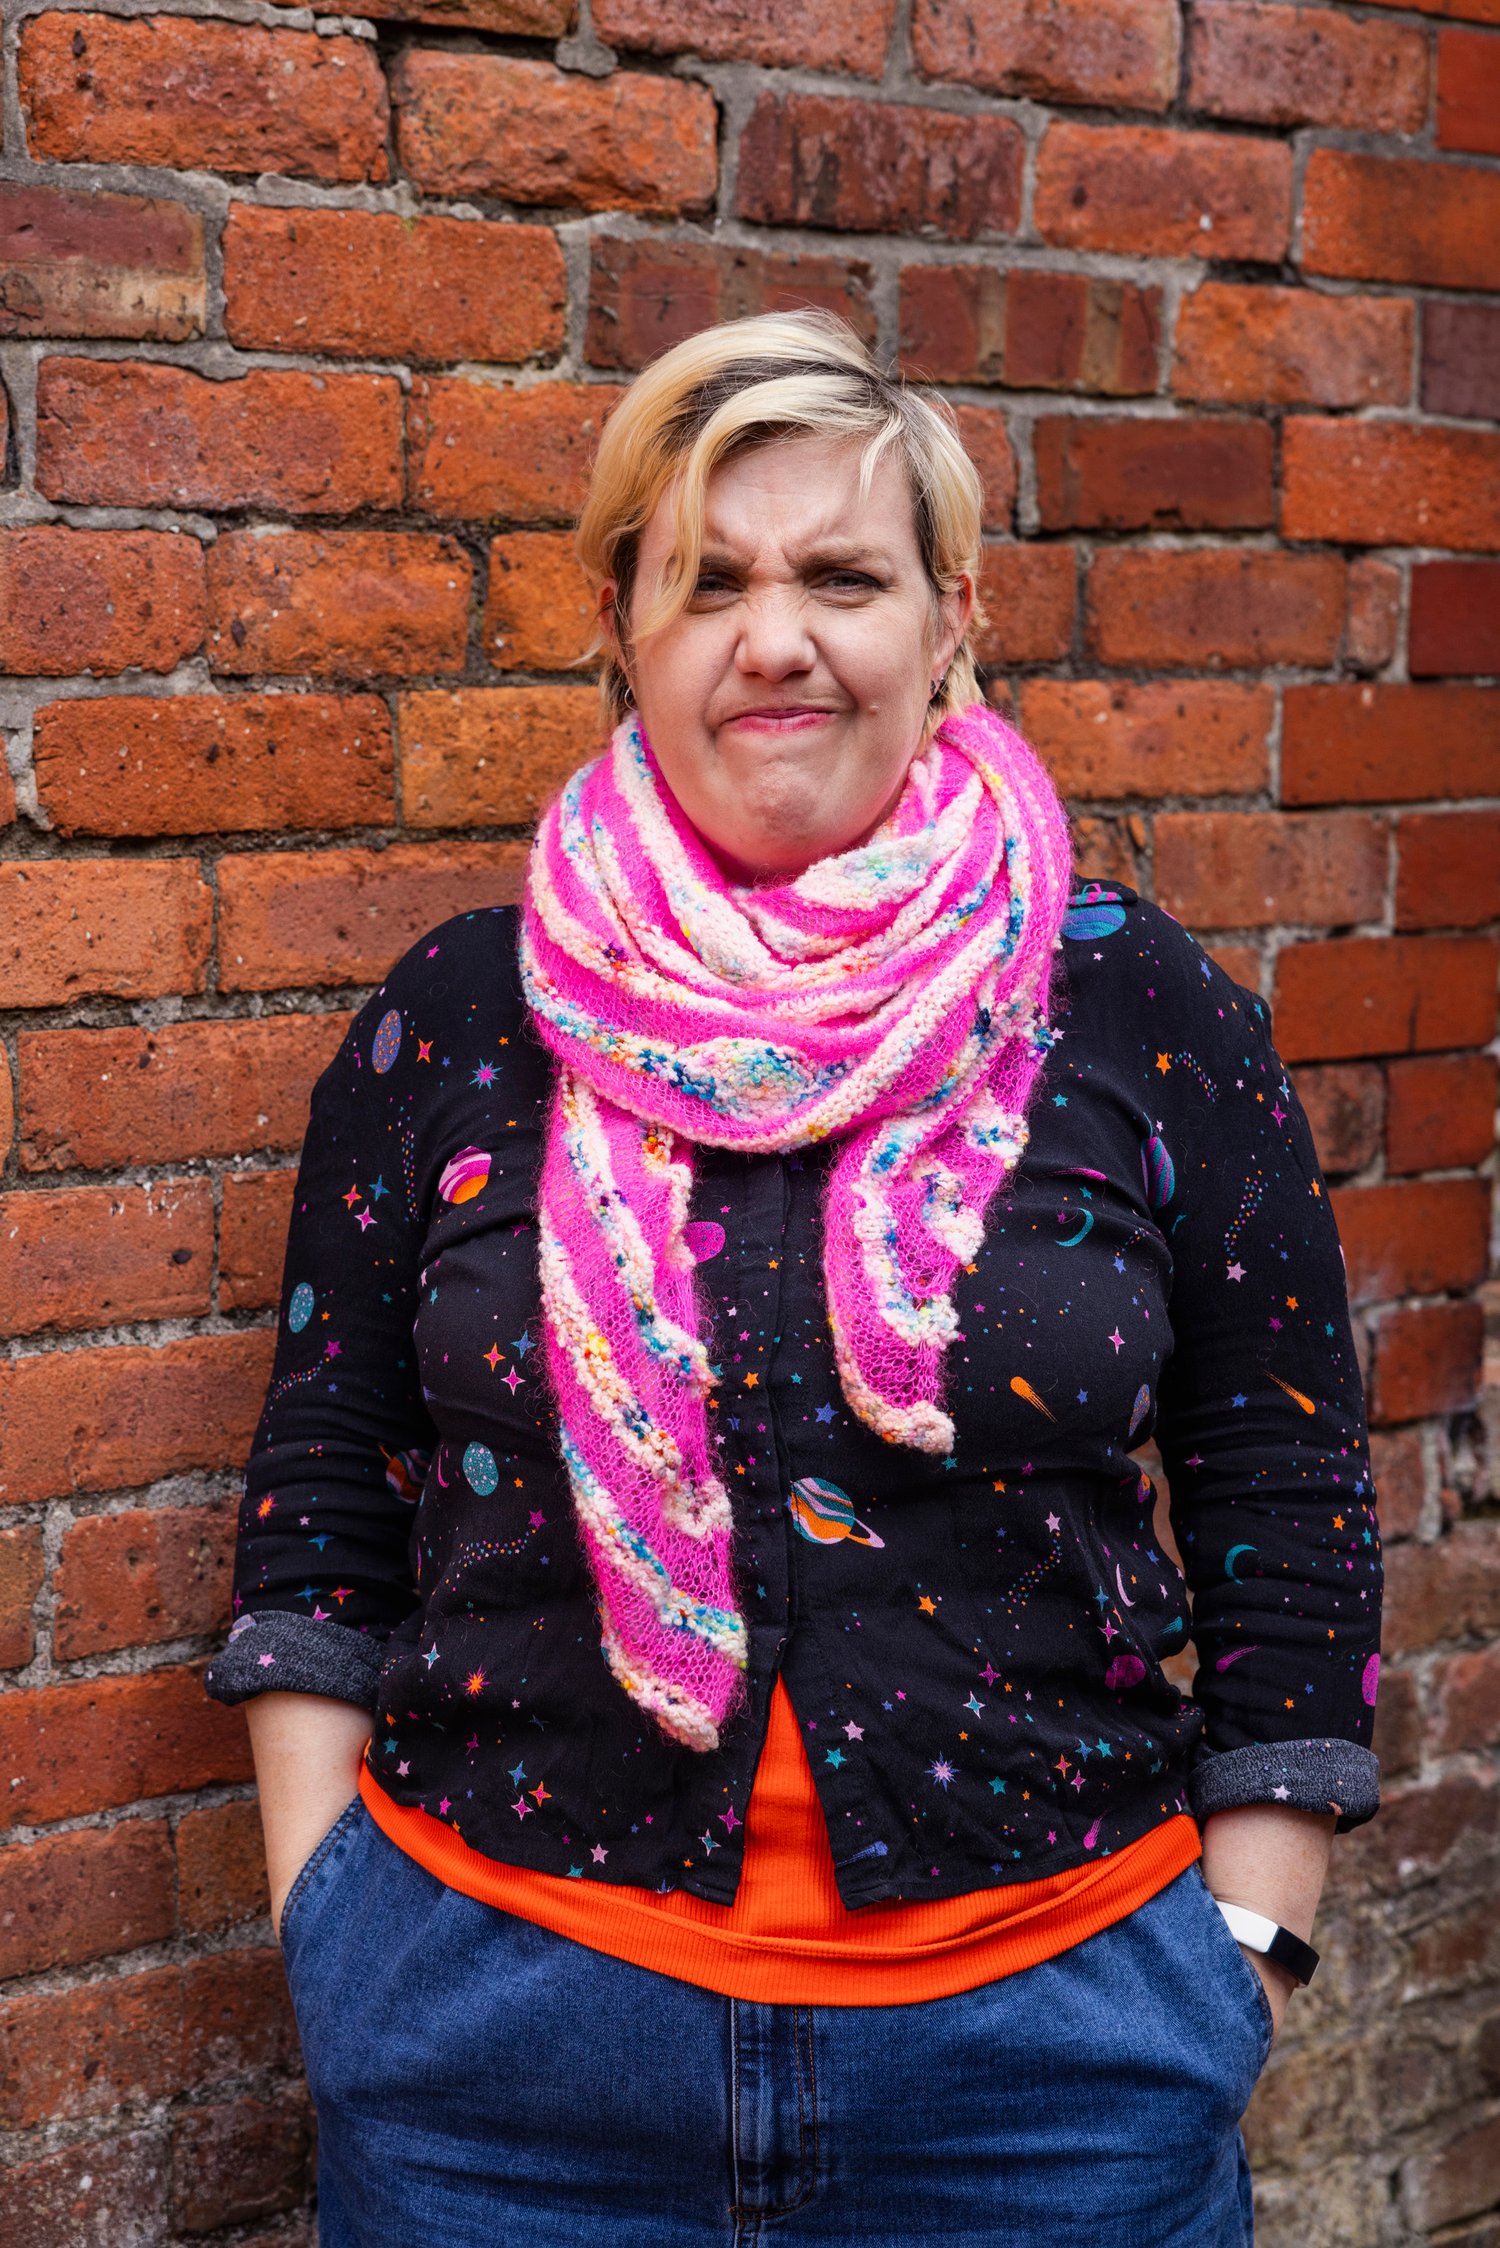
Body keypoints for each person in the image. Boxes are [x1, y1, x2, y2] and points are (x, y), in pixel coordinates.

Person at [205, 311, 1384, 2248]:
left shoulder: (1135, 1007)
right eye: (711, 582)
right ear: (622, 627)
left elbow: (1288, 1488)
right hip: (495, 2064)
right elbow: (327, 1491)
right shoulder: (460, 1017)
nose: (777, 639)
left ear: (950, 617)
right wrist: (326, 1924)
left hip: (1054, 2071)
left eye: (843, 576)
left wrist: (1244, 1952)